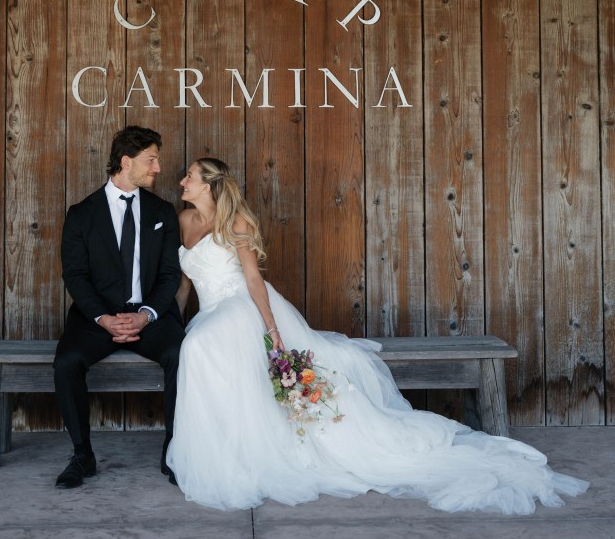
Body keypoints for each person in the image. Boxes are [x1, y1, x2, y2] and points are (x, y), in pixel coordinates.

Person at [167, 157, 589, 514]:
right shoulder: (183, 219)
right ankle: (230, 445)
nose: (182, 180)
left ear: (210, 185)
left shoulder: (236, 222)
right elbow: (184, 284)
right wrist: (170, 320)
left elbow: (254, 281)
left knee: (200, 347)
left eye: (190, 176)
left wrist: (273, 330)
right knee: (198, 348)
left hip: (242, 307)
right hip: (210, 312)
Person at [53, 126, 184, 488]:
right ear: (126, 162)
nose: (158, 168)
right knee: (66, 362)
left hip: (150, 316)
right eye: (151, 159)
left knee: (181, 353)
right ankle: (82, 455)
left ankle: (174, 451)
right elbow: (75, 274)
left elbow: (170, 274)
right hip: (96, 319)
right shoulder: (81, 214)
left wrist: (146, 315)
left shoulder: (162, 211)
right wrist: (104, 318)